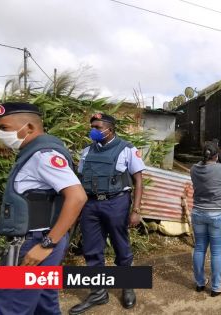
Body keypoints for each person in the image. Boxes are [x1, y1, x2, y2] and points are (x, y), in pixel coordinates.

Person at [0, 102, 87, 315]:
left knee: (11, 304)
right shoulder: (33, 153)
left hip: (33, 243)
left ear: (30, 128)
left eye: (4, 128)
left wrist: (46, 244)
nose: (0, 134)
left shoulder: (43, 156)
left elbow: (77, 197)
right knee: (44, 305)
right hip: (38, 239)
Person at [69, 113, 145, 314]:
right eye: (92, 126)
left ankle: (127, 285)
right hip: (90, 204)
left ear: (110, 129)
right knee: (92, 250)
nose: (93, 130)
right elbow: (80, 179)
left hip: (116, 203)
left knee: (121, 246)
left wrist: (136, 210)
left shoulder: (127, 149)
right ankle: (98, 293)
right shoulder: (86, 151)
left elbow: (138, 180)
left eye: (97, 126)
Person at [190, 143, 221, 297]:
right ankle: (216, 286)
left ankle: (200, 282)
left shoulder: (193, 169)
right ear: (216, 156)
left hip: (198, 212)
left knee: (200, 248)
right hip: (217, 214)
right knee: (216, 252)